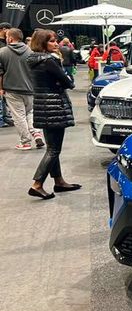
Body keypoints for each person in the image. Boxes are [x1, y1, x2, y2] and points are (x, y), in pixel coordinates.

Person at [26, 29, 80, 199]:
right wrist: (63, 78)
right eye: (51, 41)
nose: (56, 44)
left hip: (43, 106)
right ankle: (37, 184)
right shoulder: (49, 60)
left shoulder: (33, 60)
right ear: (42, 43)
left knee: (52, 147)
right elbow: (68, 82)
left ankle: (59, 181)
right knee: (54, 149)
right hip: (55, 106)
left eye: (56, 40)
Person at [0, 28, 44, 150]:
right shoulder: (30, 51)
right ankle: (36, 133)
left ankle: (25, 142)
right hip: (30, 88)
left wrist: (1, 89)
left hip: (12, 89)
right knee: (30, 112)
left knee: (19, 116)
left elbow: (0, 73)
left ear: (10, 38)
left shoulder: (2, 52)